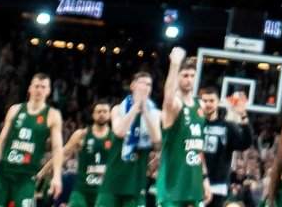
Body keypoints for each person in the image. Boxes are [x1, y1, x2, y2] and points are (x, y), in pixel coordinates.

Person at [0, 74, 63, 207]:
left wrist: (57, 176)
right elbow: (2, 140)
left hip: (26, 177)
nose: (39, 90)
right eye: (36, 86)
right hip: (4, 172)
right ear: (30, 88)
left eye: (43, 87)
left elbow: (57, 148)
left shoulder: (52, 115)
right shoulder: (15, 110)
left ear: (48, 91)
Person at [94, 74, 161, 207]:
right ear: (132, 86)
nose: (145, 87)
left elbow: (157, 140)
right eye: (142, 83)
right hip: (113, 178)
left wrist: (144, 110)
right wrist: (136, 106)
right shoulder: (118, 109)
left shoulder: (154, 113)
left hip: (136, 181)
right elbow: (120, 131)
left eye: (149, 85)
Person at [157, 51, 208, 207]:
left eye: (192, 76)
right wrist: (174, 64)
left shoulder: (201, 105)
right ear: (177, 77)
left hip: (194, 185)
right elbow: (168, 99)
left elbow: (199, 148)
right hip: (173, 187)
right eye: (185, 75)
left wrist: (205, 179)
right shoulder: (175, 104)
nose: (189, 79)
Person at [40, 102, 114, 207]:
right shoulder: (82, 134)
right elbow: (61, 155)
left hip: (104, 191)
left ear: (110, 115)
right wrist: (40, 174)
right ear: (93, 115)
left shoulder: (115, 137)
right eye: (99, 111)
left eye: (105, 111)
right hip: (82, 190)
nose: (102, 114)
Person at [197, 88, 251, 207]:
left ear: (218, 102)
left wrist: (243, 115)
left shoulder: (227, 127)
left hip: (218, 186)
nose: (208, 104)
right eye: (205, 101)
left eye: (211, 101)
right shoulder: (195, 124)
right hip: (195, 183)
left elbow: (245, 143)